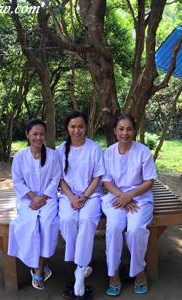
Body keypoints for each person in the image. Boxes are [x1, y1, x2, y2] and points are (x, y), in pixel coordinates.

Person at [102, 114, 157, 296]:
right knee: (114, 228)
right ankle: (113, 273)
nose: (125, 133)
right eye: (121, 129)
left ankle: (139, 272)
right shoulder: (108, 152)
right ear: (115, 131)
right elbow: (107, 182)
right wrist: (123, 197)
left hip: (139, 198)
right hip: (115, 198)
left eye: (129, 129)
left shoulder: (143, 151)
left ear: (134, 131)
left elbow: (149, 181)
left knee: (135, 230)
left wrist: (130, 195)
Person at [8, 119, 61, 290]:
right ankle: (39, 268)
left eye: (41, 134)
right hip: (27, 199)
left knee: (47, 223)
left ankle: (39, 265)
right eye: (34, 134)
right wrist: (33, 197)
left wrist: (43, 197)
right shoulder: (19, 156)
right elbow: (17, 181)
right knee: (30, 224)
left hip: (49, 198)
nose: (38, 137)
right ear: (27, 135)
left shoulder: (53, 155)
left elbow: (56, 179)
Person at [56, 111, 104, 297]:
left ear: (86, 127)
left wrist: (83, 196)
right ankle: (81, 264)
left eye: (80, 126)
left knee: (86, 221)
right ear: (67, 129)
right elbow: (59, 179)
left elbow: (98, 177)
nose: (77, 130)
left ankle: (79, 270)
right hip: (67, 196)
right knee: (67, 220)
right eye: (72, 126)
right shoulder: (60, 150)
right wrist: (72, 197)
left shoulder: (94, 148)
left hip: (90, 196)